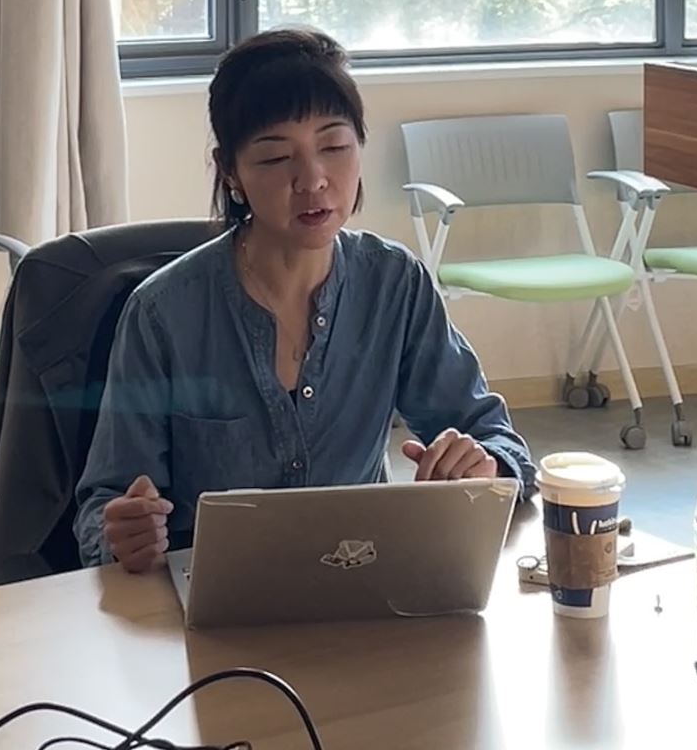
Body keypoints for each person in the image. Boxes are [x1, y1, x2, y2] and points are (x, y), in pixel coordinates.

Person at [74, 28, 535, 573]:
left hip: (362, 581)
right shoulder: (163, 313)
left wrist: (484, 466)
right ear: (231, 172)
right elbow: (104, 504)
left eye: (334, 147)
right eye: (275, 158)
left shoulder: (394, 284)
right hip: (212, 594)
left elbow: (496, 439)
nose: (313, 180)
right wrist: (123, 533)